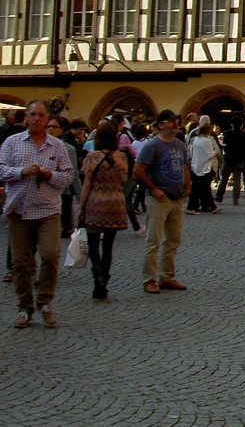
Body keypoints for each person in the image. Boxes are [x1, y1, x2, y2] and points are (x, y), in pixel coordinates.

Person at [0, 100, 74, 327]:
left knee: (50, 254)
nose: (36, 118)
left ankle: (45, 302)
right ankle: (25, 307)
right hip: (19, 210)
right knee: (21, 263)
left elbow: (68, 175)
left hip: (47, 211)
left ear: (46, 118)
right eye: (32, 114)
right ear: (26, 117)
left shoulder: (57, 146)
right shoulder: (11, 143)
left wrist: (49, 175)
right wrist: (20, 172)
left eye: (41, 115)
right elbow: (1, 169)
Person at [135, 110, 191, 294]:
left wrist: (188, 186)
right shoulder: (152, 145)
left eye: (177, 121)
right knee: (153, 240)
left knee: (173, 240)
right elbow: (139, 170)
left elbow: (183, 166)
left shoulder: (179, 144)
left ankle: (167, 276)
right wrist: (153, 188)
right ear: (160, 124)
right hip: (159, 198)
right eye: (172, 121)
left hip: (176, 198)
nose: (176, 123)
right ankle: (149, 279)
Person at [78, 121, 130, 300]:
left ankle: (98, 277)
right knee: (108, 246)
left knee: (93, 245)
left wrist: (81, 206)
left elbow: (87, 184)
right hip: (115, 203)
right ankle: (104, 279)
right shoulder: (121, 158)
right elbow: (123, 180)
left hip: (96, 202)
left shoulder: (92, 157)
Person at [186, 121, 221, 215]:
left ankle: (212, 207)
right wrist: (216, 152)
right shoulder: (207, 141)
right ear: (208, 131)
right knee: (201, 189)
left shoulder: (196, 139)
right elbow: (209, 155)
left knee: (200, 188)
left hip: (195, 165)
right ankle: (191, 207)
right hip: (204, 168)